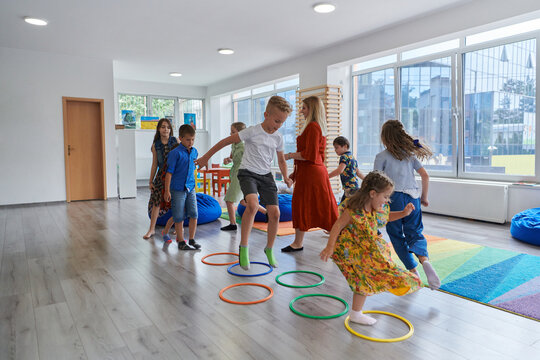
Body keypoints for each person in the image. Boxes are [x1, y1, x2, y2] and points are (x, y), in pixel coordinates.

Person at [196, 95, 293, 269]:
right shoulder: (252, 131)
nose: (278, 126)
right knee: (253, 205)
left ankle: (269, 249)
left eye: (282, 123)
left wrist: (286, 176)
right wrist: (205, 157)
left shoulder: (278, 137)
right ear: (266, 114)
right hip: (247, 173)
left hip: (266, 176)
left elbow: (281, 160)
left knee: (276, 213)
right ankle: (244, 247)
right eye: (276, 121)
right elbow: (224, 142)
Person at [320, 171, 424, 325]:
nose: (387, 200)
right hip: (351, 251)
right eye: (385, 196)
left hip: (366, 249)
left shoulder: (376, 209)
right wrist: (330, 246)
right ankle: (358, 312)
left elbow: (386, 218)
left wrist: (403, 213)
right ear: (373, 194)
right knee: (362, 279)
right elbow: (337, 226)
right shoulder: (353, 210)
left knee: (367, 277)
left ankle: (357, 312)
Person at [373, 119, 440, 290]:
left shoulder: (381, 157)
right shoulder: (409, 155)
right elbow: (425, 176)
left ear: (385, 138)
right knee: (415, 233)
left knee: (396, 235)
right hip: (413, 198)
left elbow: (376, 181)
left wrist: (375, 205)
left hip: (393, 199)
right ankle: (424, 260)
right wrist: (424, 197)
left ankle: (413, 271)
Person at [282, 96, 338, 252]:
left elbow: (309, 155)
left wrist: (289, 155)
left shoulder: (313, 127)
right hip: (310, 172)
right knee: (309, 205)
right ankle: (298, 243)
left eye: (304, 108)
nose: (301, 111)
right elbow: (310, 157)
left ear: (312, 109)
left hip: (313, 174)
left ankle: (300, 242)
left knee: (316, 206)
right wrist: (294, 175)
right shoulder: (314, 127)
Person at [221, 122, 267, 231]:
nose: (231, 134)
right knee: (243, 201)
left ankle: (233, 224)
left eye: (233, 132)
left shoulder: (244, 146)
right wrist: (228, 160)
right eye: (230, 132)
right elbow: (232, 158)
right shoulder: (234, 144)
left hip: (240, 175)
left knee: (229, 200)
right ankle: (266, 212)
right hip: (234, 173)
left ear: (241, 133)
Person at [164, 124, 200, 250]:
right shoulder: (175, 153)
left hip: (191, 188)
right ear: (180, 138)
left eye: (193, 139)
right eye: (188, 139)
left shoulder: (194, 152)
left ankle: (192, 239)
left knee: (194, 214)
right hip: (178, 189)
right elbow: (169, 173)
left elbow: (193, 168)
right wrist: (167, 190)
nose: (191, 142)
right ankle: (180, 241)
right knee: (178, 216)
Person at [143, 118, 178, 240]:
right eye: (163, 127)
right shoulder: (155, 145)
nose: (166, 129)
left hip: (174, 175)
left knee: (176, 201)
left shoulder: (175, 141)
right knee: (156, 201)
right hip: (161, 175)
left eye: (168, 127)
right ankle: (151, 229)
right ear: (158, 129)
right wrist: (150, 181)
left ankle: (179, 227)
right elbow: (154, 164)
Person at [328, 136, 365, 203]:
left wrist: (327, 176)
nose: (335, 150)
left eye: (337, 147)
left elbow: (339, 170)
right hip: (355, 187)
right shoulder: (352, 157)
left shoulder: (344, 157)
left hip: (349, 189)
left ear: (345, 146)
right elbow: (358, 172)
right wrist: (366, 179)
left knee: (343, 208)